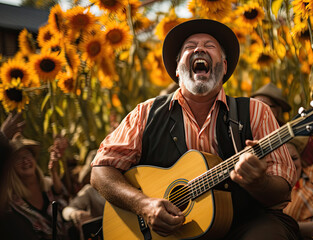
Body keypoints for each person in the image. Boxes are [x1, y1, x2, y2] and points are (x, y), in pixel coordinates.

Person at [91, 19, 298, 239]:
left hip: (244, 225)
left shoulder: (257, 112)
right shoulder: (146, 113)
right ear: (177, 69)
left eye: (210, 46)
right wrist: (143, 205)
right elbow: (100, 171)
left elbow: (281, 191)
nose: (199, 48)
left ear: (225, 66)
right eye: (190, 47)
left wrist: (260, 182)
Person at [1, 133, 70, 240]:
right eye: (18, 158)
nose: (25, 160)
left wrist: (54, 171)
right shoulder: (12, 202)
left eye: (28, 155)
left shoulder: (49, 185)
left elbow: (64, 198)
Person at [283, 137, 313, 239]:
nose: (291, 164)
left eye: (294, 158)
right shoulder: (275, 193)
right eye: (285, 161)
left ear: (300, 158)